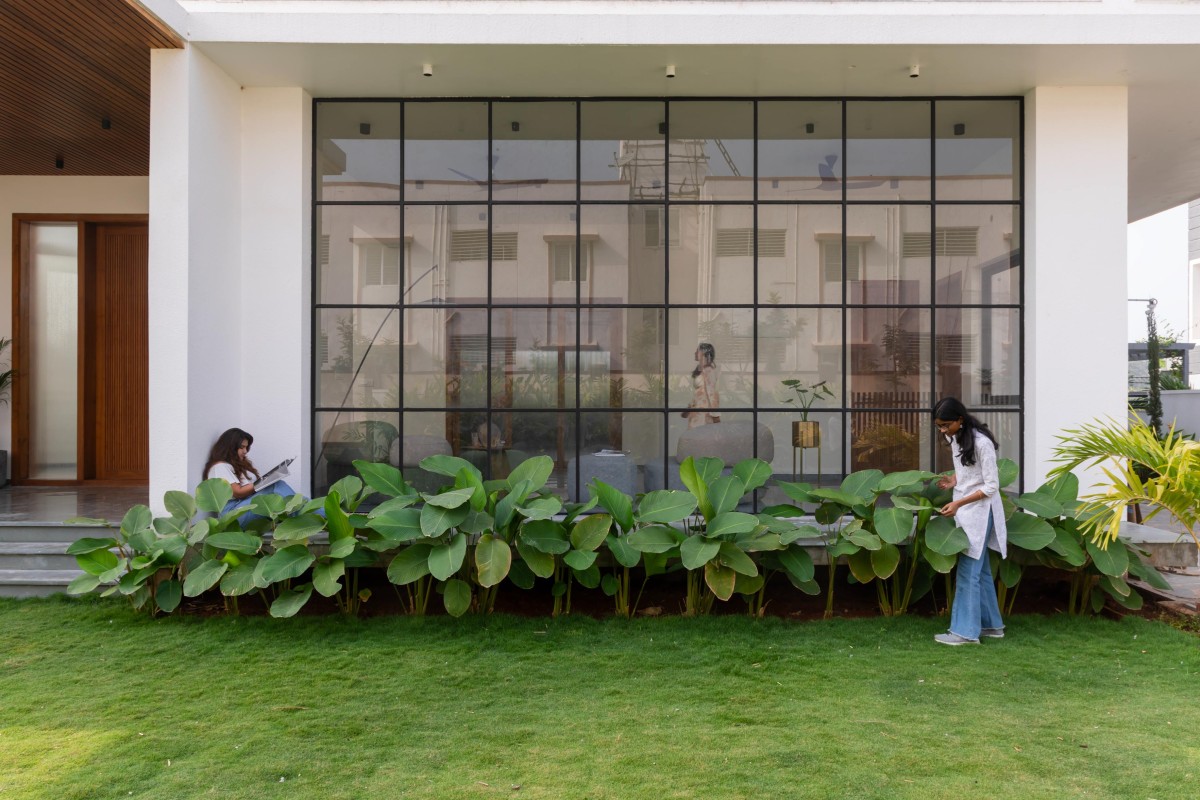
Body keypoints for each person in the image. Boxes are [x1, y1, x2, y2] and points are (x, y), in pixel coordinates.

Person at [931, 397, 1008, 646]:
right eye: (939, 426)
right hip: (966, 510)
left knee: (968, 572)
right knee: (982, 571)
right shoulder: (955, 437)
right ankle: (991, 625)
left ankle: (964, 633)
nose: (943, 431)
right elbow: (968, 470)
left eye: (946, 425)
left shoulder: (982, 443)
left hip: (980, 512)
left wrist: (958, 503)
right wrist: (954, 481)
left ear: (960, 420)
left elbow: (991, 486)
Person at [203, 428, 296, 517]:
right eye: (242, 447)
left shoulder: (236, 465)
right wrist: (264, 481)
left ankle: (303, 508)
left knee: (278, 488)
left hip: (243, 505)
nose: (245, 451)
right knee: (276, 486)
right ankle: (300, 512)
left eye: (246, 447)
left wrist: (265, 481)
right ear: (230, 447)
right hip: (232, 513)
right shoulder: (220, 467)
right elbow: (237, 492)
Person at [684, 343, 721, 429]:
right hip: (697, 412)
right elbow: (699, 393)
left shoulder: (708, 371)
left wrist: (715, 416)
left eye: (697, 351)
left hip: (703, 414)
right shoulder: (702, 370)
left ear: (703, 354)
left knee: (699, 438)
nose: (695, 353)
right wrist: (689, 408)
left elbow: (712, 394)